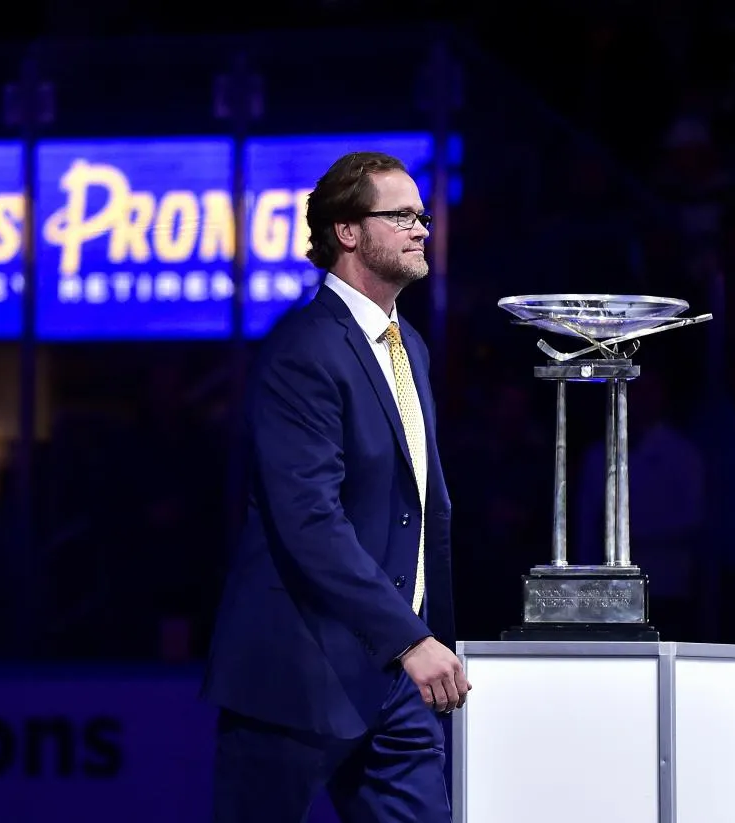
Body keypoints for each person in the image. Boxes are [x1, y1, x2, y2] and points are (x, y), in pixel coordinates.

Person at [201, 151, 469, 823]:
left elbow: (417, 508)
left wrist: (421, 635)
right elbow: (310, 520)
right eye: (401, 215)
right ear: (347, 232)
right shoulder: (305, 349)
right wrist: (408, 636)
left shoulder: (408, 342)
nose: (420, 229)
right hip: (296, 673)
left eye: (422, 215)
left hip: (391, 677)